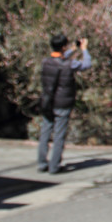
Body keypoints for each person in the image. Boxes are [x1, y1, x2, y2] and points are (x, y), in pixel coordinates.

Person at [37, 33, 92, 174]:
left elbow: (59, 58)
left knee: (45, 133)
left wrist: (72, 50)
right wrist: (84, 49)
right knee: (59, 136)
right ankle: (54, 167)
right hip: (62, 104)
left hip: (47, 103)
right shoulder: (69, 64)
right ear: (63, 46)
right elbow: (87, 64)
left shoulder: (46, 62)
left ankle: (42, 164)